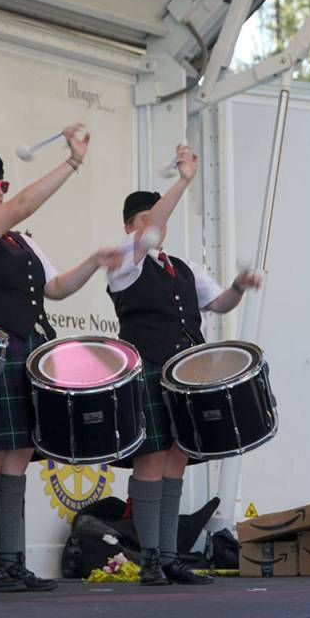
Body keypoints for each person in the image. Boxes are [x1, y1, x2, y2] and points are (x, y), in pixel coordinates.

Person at [0, 127, 121, 592]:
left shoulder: (23, 242)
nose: (0, 193)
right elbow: (16, 209)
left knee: (19, 454)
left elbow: (56, 288)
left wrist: (95, 261)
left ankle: (11, 560)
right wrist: (72, 164)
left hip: (29, 350)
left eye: (2, 186)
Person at [106, 144, 262, 586]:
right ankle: (150, 557)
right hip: (148, 367)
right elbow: (152, 227)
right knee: (151, 461)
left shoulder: (185, 267)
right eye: (145, 220)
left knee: (176, 459)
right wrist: (185, 179)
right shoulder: (124, 260)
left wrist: (238, 285)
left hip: (185, 376)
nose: (157, 226)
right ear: (129, 226)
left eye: (158, 220)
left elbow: (219, 302)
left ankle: (170, 556)